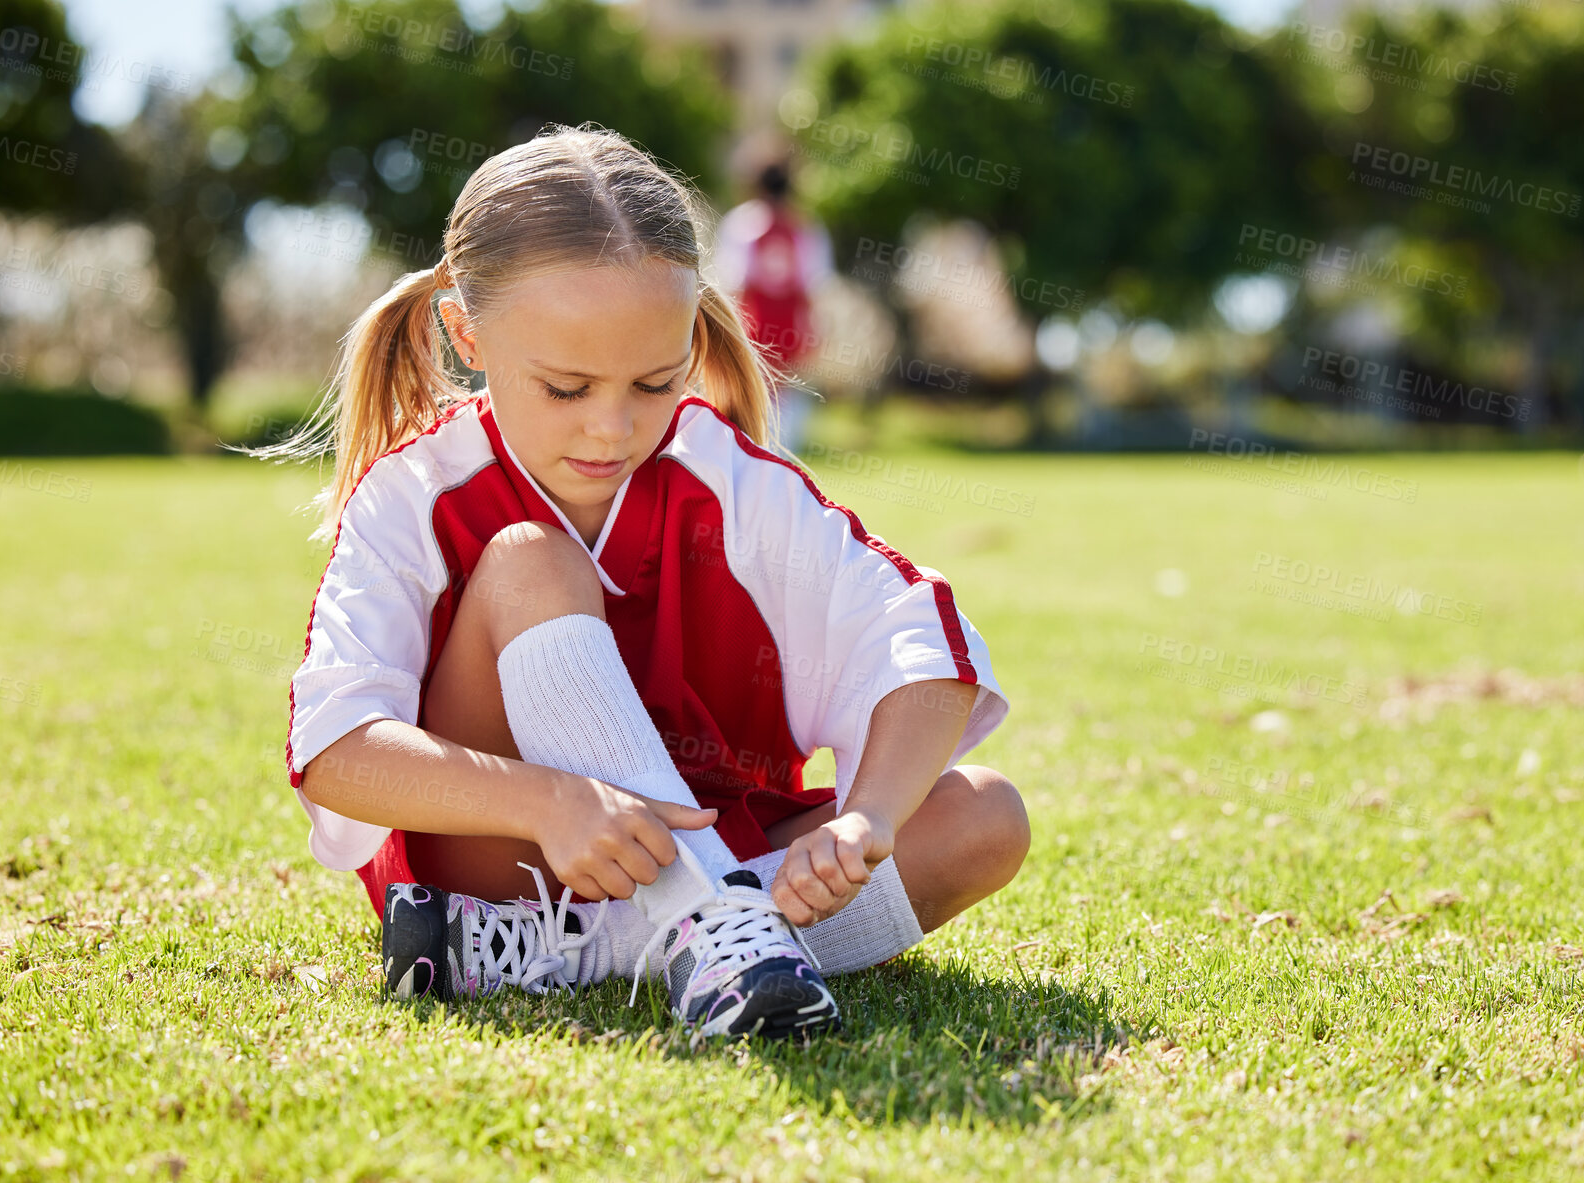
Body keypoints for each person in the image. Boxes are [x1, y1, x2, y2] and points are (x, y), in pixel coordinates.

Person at [261, 123, 1027, 1041]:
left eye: (655, 382)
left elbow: (919, 639)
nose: (612, 431)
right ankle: (705, 932)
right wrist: (549, 802)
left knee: (984, 816)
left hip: (716, 854)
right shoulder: (416, 493)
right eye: (566, 388)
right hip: (505, 868)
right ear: (467, 332)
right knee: (527, 559)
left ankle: (628, 948)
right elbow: (338, 748)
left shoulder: (728, 478)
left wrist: (864, 820)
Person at [713, 160, 832, 459]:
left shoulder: (741, 225)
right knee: (786, 396)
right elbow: (815, 287)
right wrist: (816, 332)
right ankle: (783, 456)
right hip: (790, 326)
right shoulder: (805, 227)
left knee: (750, 393)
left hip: (752, 325)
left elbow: (731, 286)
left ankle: (752, 451)